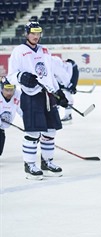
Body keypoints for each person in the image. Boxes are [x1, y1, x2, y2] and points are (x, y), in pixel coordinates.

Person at [7, 21, 70, 180]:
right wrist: (22, 77)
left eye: (38, 33)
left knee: (50, 131)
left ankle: (47, 162)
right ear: (27, 33)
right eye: (33, 33)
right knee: (33, 132)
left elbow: (49, 74)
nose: (36, 36)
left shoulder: (44, 50)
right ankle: (29, 165)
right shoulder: (19, 51)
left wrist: (58, 92)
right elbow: (11, 76)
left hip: (47, 96)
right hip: (30, 95)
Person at [0, 77, 22, 156]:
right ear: (1, 89)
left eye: (11, 90)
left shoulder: (18, 94)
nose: (9, 93)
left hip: (2, 128)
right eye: (6, 90)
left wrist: (30, 125)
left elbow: (22, 110)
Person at [55, 58, 79, 124]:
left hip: (72, 70)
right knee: (56, 95)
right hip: (63, 75)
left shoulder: (53, 64)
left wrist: (70, 86)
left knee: (67, 94)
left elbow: (64, 75)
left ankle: (68, 115)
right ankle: (55, 117)